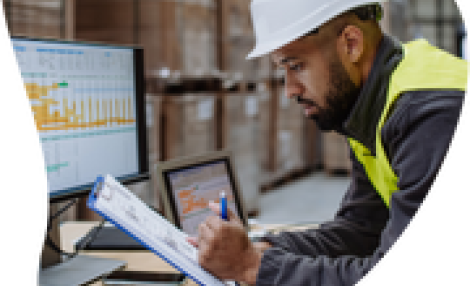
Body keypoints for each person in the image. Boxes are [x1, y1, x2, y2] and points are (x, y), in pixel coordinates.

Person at [187, 1, 470, 285]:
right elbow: (363, 230)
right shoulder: (373, 101)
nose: (289, 90)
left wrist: (252, 267)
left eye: (296, 66)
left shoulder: (428, 114)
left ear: (351, 43)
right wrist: (262, 249)